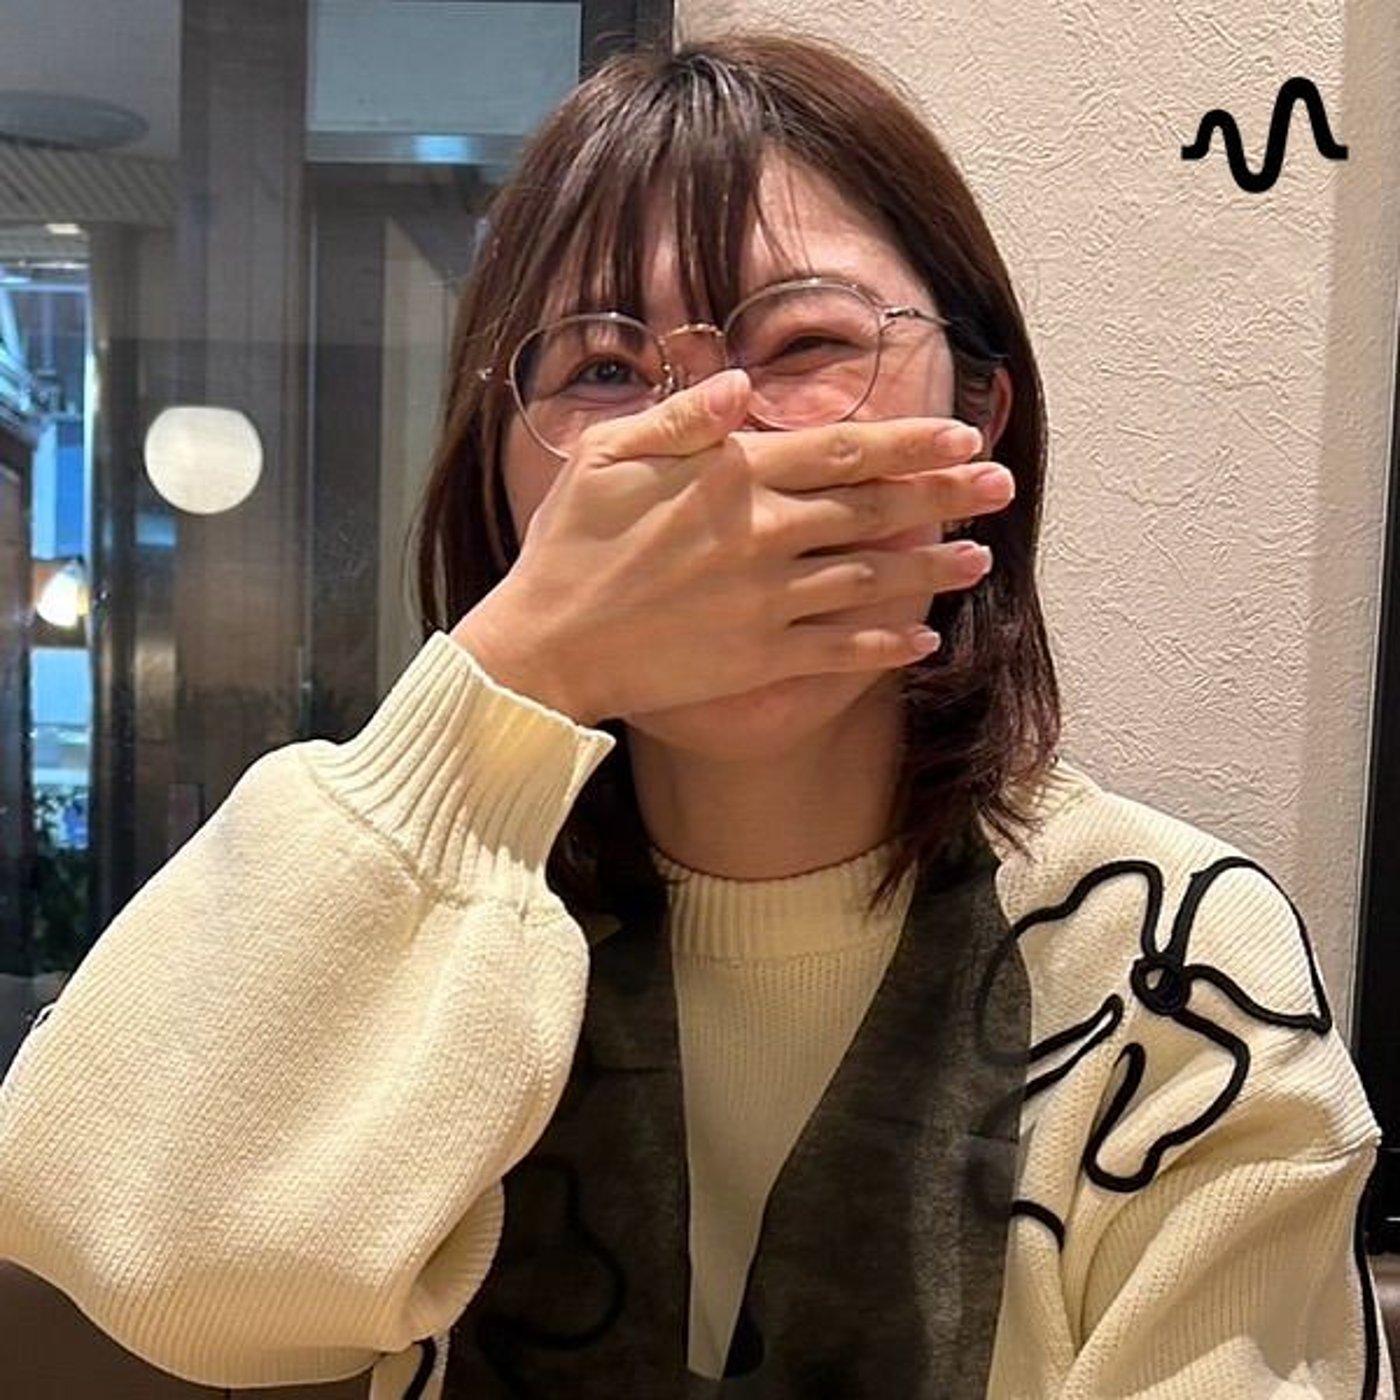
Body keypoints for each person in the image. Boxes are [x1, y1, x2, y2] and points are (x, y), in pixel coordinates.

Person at [0, 30, 1389, 1400]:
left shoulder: (1170, 960)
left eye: (808, 342)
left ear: (979, 417)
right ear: (502, 481)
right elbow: (154, 1269)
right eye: (601, 370)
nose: (710, 437)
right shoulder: (431, 923)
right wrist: (510, 680)